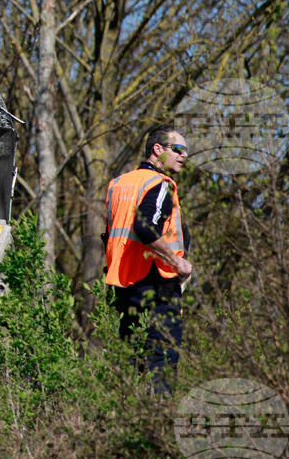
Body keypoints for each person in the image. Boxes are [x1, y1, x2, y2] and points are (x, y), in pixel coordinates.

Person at [104, 125, 193, 395]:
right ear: (158, 150)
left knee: (130, 358)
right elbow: (146, 229)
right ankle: (158, 424)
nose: (184, 156)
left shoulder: (117, 184)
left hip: (122, 282)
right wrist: (178, 263)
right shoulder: (160, 184)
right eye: (178, 149)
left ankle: (127, 418)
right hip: (156, 282)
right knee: (162, 358)